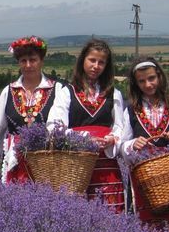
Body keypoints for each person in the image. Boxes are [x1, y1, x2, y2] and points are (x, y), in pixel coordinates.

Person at [47, 38, 128, 213]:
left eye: (101, 62)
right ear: (83, 60)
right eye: (92, 60)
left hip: (106, 165)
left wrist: (112, 139)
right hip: (75, 166)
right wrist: (85, 138)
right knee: (76, 213)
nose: (96, 66)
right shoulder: (67, 92)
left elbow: (121, 127)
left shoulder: (113, 94)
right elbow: (54, 128)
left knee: (110, 212)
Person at [120, 57, 169, 232]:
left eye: (151, 78)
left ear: (160, 77)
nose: (148, 84)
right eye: (141, 81)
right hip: (143, 181)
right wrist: (133, 144)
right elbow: (122, 145)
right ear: (135, 84)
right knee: (143, 225)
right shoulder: (131, 110)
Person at [0, 36, 63, 182]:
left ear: (42, 61)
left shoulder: (57, 90)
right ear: (19, 63)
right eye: (23, 61)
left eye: (33, 60)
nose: (28, 65)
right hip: (14, 160)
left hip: (47, 160)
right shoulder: (8, 91)